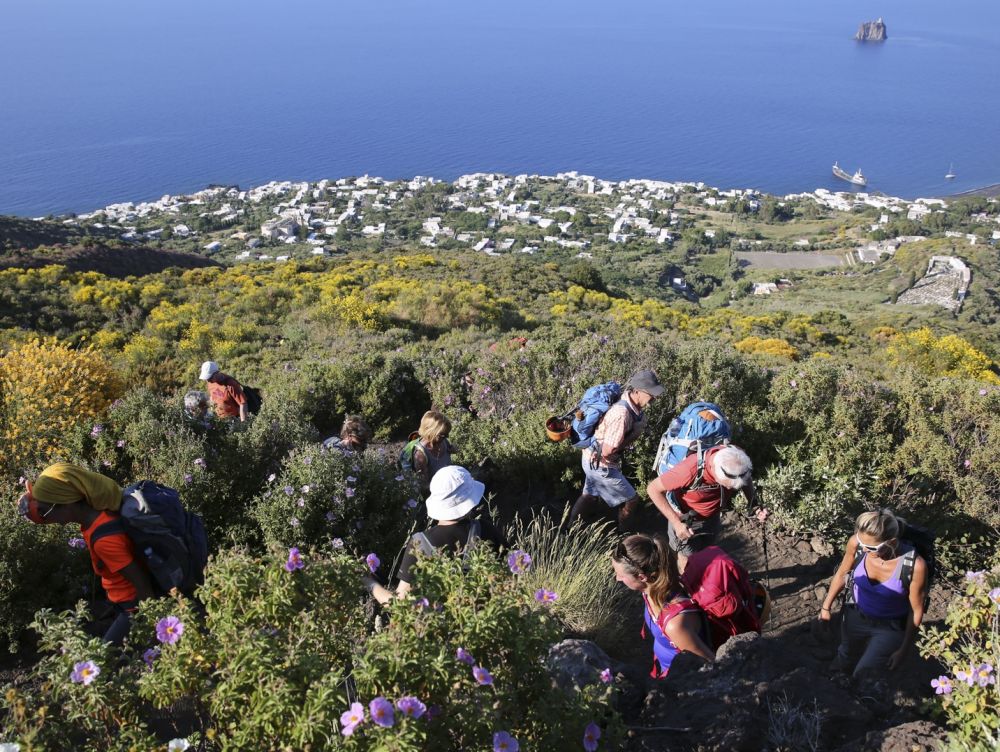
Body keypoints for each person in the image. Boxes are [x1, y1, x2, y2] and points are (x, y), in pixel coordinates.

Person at [17, 463, 155, 645]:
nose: (46, 520)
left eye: (44, 512)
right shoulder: (100, 511)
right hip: (119, 599)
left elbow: (141, 583)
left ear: (67, 503)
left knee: (103, 661)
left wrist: (154, 624)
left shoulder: (105, 540)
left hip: (132, 606)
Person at [363, 465, 507, 604]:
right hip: (484, 623)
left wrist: (370, 583)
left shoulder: (419, 543)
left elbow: (399, 603)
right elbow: (514, 575)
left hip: (439, 626)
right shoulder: (486, 530)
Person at [819, 509, 928, 678]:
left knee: (864, 673)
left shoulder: (915, 566)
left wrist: (903, 649)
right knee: (846, 653)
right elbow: (842, 573)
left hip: (889, 627)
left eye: (870, 547)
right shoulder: (857, 544)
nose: (863, 548)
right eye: (860, 541)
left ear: (891, 542)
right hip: (855, 614)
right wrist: (826, 607)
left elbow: (916, 610)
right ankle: (835, 679)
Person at [612, 533, 715, 677]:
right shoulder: (651, 590)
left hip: (680, 682)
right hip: (662, 669)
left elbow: (711, 666)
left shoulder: (675, 624)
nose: (617, 578)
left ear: (642, 577)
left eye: (620, 575)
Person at [570, 369, 662, 530]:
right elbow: (607, 451)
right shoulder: (622, 414)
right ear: (638, 391)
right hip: (601, 464)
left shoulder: (627, 403)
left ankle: (569, 528)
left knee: (589, 496)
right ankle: (624, 535)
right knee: (631, 500)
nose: (655, 397)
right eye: (651, 394)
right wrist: (634, 435)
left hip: (590, 458)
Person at [646, 445, 755, 572]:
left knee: (706, 553)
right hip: (687, 522)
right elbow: (653, 489)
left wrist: (754, 504)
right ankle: (689, 587)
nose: (730, 489)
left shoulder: (735, 457)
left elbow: (744, 479)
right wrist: (676, 523)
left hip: (712, 518)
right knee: (687, 561)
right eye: (728, 485)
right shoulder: (688, 470)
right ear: (715, 471)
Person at [411, 410, 456, 492]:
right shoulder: (421, 455)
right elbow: (424, 485)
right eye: (443, 435)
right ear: (430, 432)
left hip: (449, 484)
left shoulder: (443, 441)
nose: (447, 437)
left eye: (447, 434)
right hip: (438, 492)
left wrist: (454, 449)